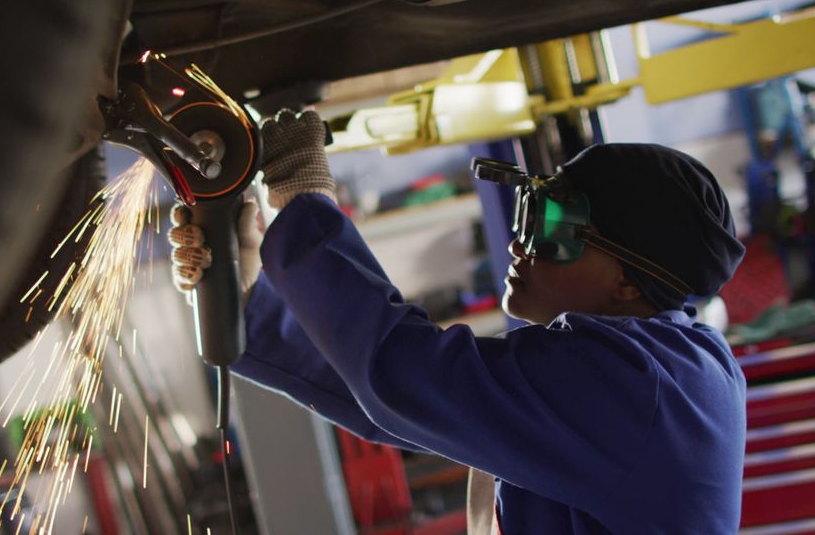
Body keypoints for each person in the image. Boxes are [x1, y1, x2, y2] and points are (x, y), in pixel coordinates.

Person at [169, 109, 748, 534]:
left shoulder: (642, 388)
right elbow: (412, 406)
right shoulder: (662, 372)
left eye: (552, 224)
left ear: (628, 282)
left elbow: (408, 376)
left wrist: (302, 198)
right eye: (528, 208)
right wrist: (250, 302)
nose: (522, 242)